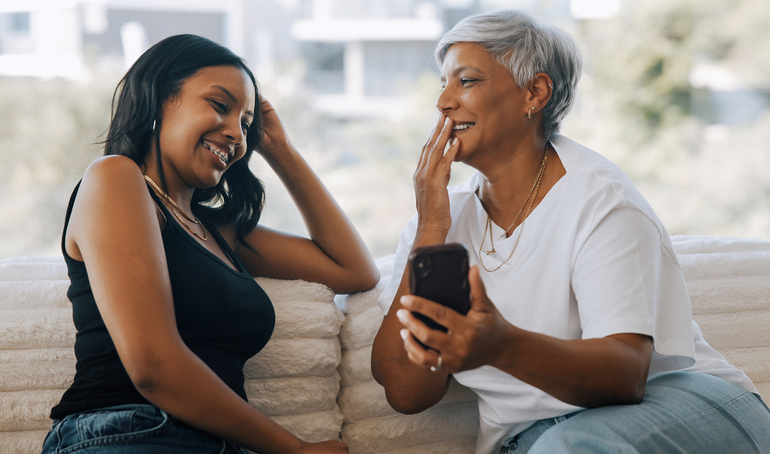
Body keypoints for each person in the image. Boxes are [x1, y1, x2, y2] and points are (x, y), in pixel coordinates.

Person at [371, 9, 770, 454]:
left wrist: (500, 345)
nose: (444, 101)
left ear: (535, 93)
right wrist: (430, 227)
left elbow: (625, 375)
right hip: (537, 440)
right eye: (442, 83)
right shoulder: (439, 220)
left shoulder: (600, 198)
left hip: (683, 406)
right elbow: (407, 394)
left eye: (466, 81)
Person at [42, 34, 379, 454]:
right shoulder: (115, 178)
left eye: (247, 124)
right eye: (220, 106)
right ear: (162, 97)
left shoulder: (221, 232)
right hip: (128, 433)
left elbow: (354, 270)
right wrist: (296, 449)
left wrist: (282, 150)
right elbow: (153, 367)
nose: (236, 134)